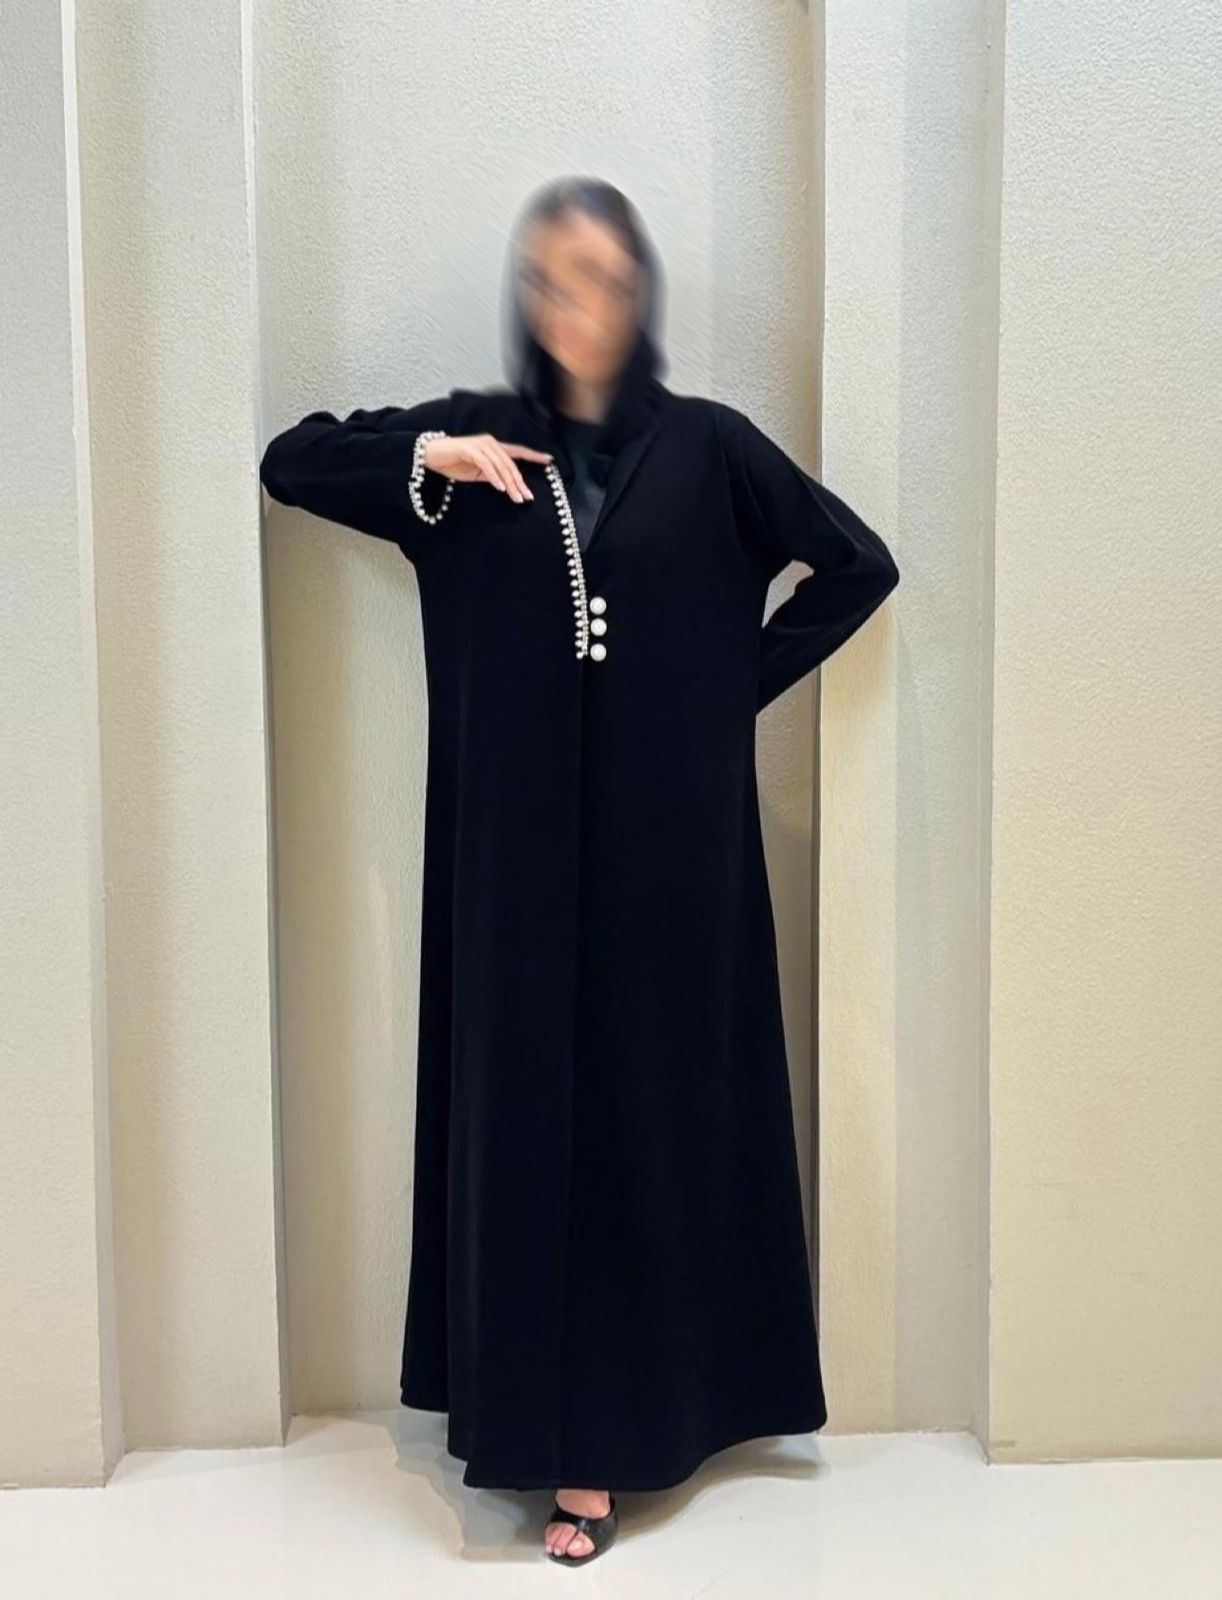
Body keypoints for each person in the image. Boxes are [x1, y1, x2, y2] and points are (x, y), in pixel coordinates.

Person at [259, 175, 900, 1566]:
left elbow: (856, 564)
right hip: (514, 856)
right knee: (529, 1112)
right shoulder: (479, 441)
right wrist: (429, 454)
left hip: (675, 855)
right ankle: (546, 1434)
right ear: (526, 297)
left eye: (602, 276)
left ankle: (640, 1424)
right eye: (550, 279)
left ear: (640, 290)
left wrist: (722, 690)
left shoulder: (711, 448)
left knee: (648, 1112)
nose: (577, 304)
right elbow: (290, 461)